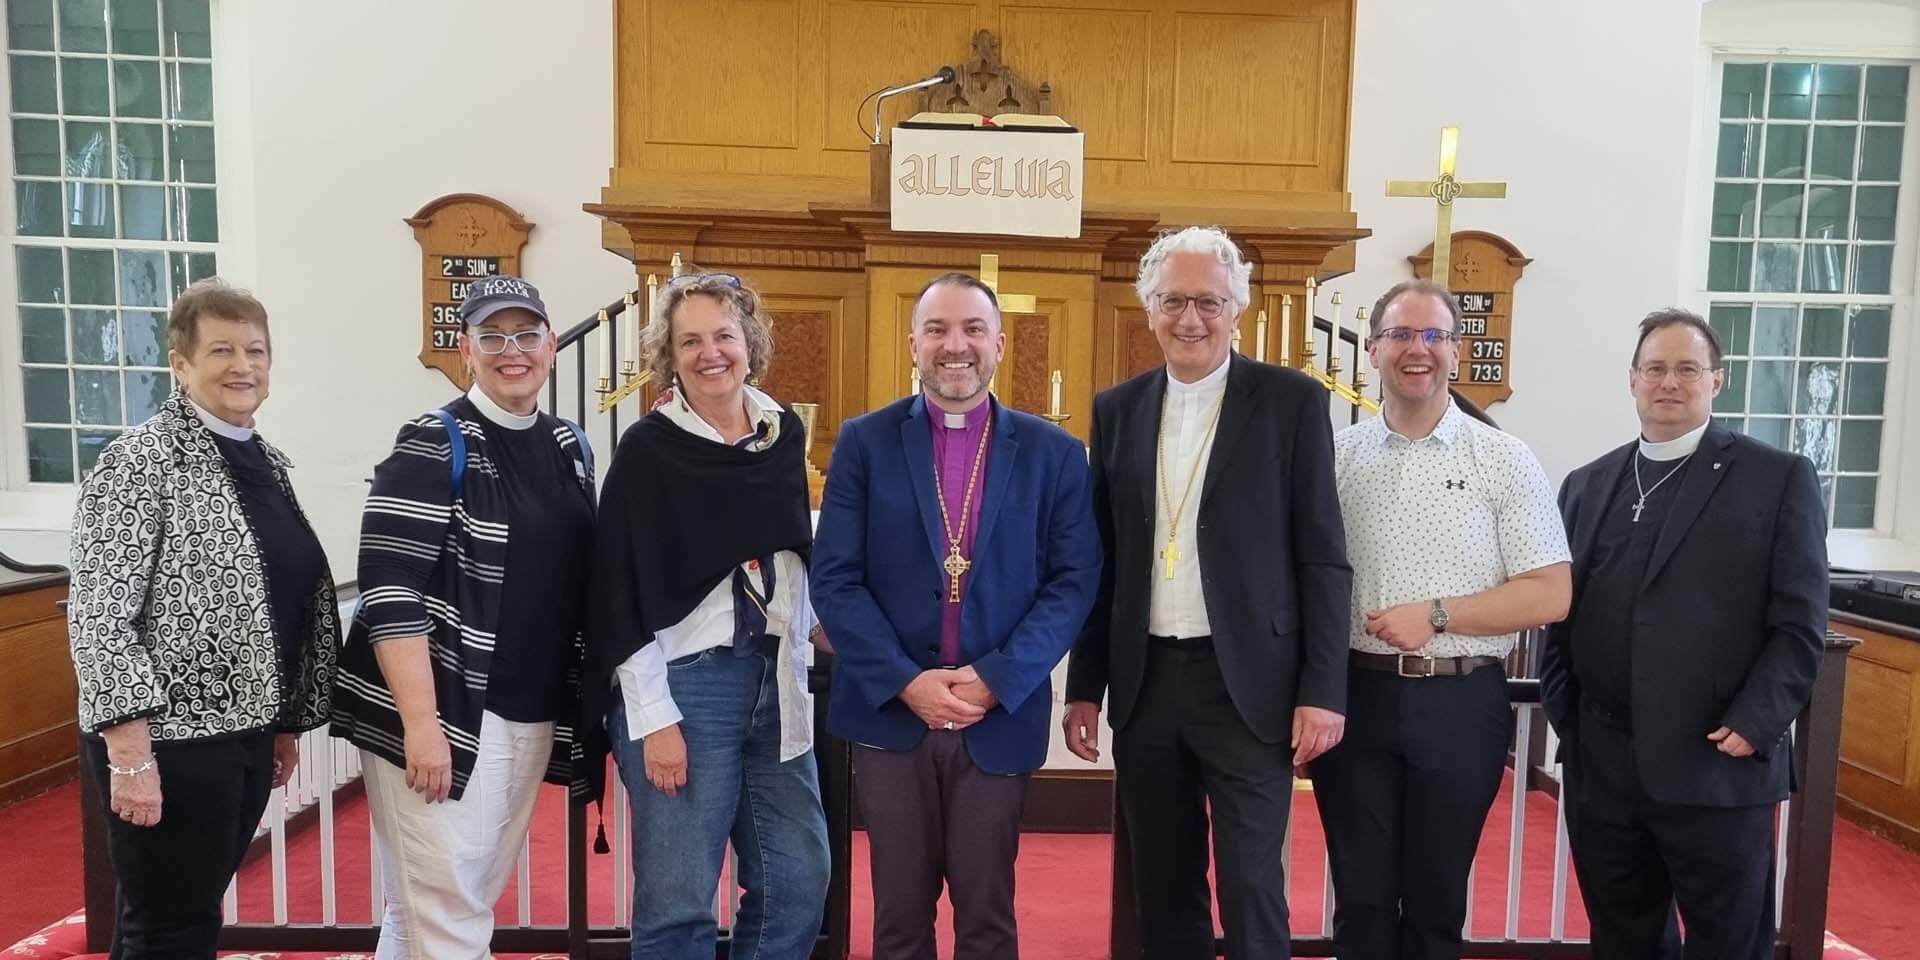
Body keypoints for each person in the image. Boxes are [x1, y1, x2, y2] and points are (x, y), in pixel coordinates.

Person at [1064, 226, 1350, 960]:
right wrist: (1084, 686)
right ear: (1148, 308)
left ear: (1239, 307)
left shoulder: (1290, 403)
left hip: (1248, 685)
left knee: (1253, 883)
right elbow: (1103, 558)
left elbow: (1322, 556)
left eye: (1209, 302)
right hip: (1148, 680)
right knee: (1163, 883)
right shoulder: (1118, 408)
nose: (1191, 319)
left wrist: (1323, 688)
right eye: (1173, 301)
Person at [812, 272, 1100, 960]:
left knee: (988, 919)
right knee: (900, 921)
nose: (955, 346)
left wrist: (998, 678)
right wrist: (907, 681)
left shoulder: (1053, 453)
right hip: (891, 713)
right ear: (913, 343)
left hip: (994, 715)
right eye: (938, 329)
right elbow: (835, 580)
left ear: (1000, 343)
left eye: (973, 329)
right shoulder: (865, 442)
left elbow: (1073, 581)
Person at [1540, 308, 1827, 960]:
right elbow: (1561, 616)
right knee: (1624, 939)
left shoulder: (1776, 479)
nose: (1670, 382)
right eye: (1656, 368)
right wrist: (1573, 722)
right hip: (1605, 768)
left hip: (1716, 762)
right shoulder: (1587, 485)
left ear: (1716, 381)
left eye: (1688, 369)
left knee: (1729, 944)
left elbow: (1801, 622)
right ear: (1633, 380)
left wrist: (1757, 720)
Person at [67, 279, 339, 959]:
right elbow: (101, 618)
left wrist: (278, 723)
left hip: (241, 736)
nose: (242, 365)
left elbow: (272, 598)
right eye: (221, 349)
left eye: (255, 349)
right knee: (165, 929)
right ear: (180, 363)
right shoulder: (139, 462)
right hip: (170, 741)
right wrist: (129, 757)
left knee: (192, 917)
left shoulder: (266, 464)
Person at [329, 275, 596, 959]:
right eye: (493, 336)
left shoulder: (570, 446)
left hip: (526, 711)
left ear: (552, 347)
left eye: (527, 333)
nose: (514, 350)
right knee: (447, 917)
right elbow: (388, 593)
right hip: (440, 716)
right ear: (465, 351)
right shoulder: (433, 440)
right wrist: (421, 726)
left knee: (443, 903)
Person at [1311, 279, 1571, 960]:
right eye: (1401, 334)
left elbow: (1551, 591)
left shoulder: (1504, 459)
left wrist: (1437, 613)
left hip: (1461, 701)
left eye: (1434, 335)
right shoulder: (1337, 461)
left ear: (1457, 352)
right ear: (1372, 350)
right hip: (1356, 698)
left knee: (1434, 901)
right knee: (1362, 900)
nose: (1417, 349)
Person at [584, 271, 831, 960]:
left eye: (724, 335)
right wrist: (652, 717)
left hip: (775, 681)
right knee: (680, 899)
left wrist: (815, 625)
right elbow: (619, 589)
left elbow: (786, 552)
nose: (709, 352)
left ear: (749, 342)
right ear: (670, 355)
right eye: (689, 341)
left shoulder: (781, 432)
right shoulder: (649, 451)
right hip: (684, 687)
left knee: (798, 881)